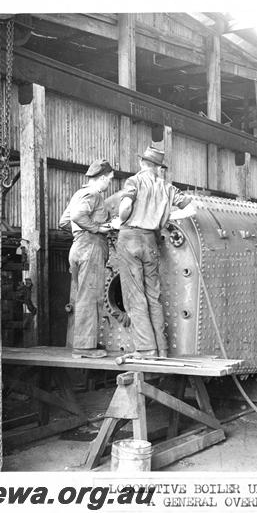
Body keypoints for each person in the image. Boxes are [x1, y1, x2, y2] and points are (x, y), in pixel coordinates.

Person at [117, 146, 194, 357]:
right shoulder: (167, 188)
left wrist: (121, 219)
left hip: (130, 238)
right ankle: (161, 349)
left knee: (135, 296)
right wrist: (166, 218)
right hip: (150, 241)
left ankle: (146, 349)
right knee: (153, 295)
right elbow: (191, 209)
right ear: (159, 168)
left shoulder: (134, 181)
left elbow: (124, 207)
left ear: (142, 163)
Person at [59, 159, 115, 358]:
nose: (109, 183)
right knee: (90, 297)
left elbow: (64, 221)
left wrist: (80, 232)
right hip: (90, 247)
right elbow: (77, 216)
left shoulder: (78, 194)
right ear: (102, 178)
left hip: (78, 247)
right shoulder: (94, 194)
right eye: (109, 179)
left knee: (84, 296)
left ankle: (87, 341)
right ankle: (84, 348)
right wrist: (97, 229)